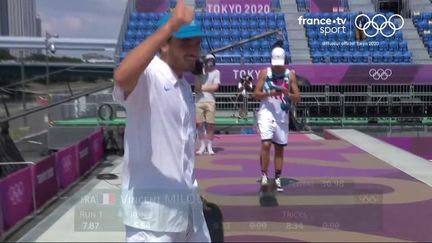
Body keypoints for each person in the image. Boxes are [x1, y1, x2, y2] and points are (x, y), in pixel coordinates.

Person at [112, 0, 210, 241]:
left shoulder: (184, 86)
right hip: (152, 220)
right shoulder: (149, 74)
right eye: (185, 42)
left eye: (196, 44)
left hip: (186, 207)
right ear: (164, 45)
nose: (193, 50)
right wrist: (170, 26)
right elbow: (122, 75)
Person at [253, 46, 301, 192]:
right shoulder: (264, 73)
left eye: (280, 62)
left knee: (279, 148)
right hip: (266, 112)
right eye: (275, 62)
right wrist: (269, 93)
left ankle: (278, 177)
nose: (277, 65)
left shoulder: (290, 75)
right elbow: (256, 94)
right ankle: (264, 175)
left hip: (282, 115)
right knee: (266, 144)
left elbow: (297, 97)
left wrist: (288, 95)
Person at [195, 54, 220, 155]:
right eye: (208, 61)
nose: (210, 63)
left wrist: (202, 88)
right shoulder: (199, 72)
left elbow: (215, 87)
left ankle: (209, 146)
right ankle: (202, 146)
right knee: (199, 124)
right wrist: (201, 72)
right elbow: (196, 88)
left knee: (210, 124)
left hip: (210, 101)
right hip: (199, 101)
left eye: (212, 61)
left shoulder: (216, 72)